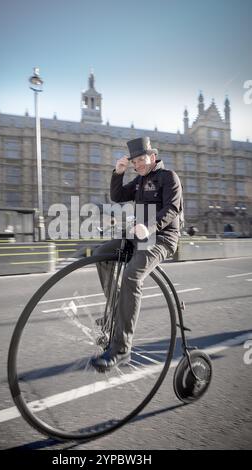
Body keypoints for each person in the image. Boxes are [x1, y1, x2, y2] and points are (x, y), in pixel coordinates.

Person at [91, 136, 183, 372]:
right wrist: (118, 172)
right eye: (134, 163)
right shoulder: (139, 180)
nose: (137, 165)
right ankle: (115, 313)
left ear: (153, 157)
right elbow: (118, 196)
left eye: (141, 160)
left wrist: (149, 227)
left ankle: (121, 349)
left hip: (161, 238)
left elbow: (172, 208)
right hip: (137, 235)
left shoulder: (168, 177)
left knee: (132, 274)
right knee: (102, 255)